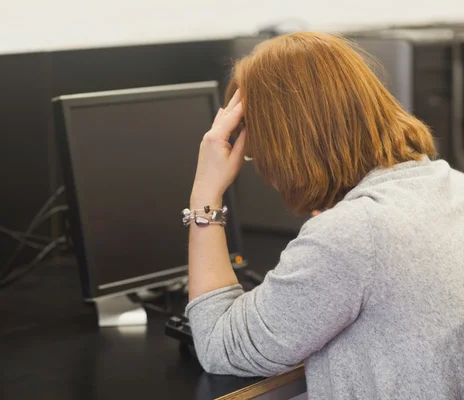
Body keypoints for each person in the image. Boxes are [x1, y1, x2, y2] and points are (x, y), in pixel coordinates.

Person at [186, 31, 464, 399]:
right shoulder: (449, 184)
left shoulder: (353, 233)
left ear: (285, 148)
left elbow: (220, 344)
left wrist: (206, 192)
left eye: (256, 151)